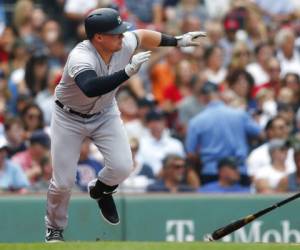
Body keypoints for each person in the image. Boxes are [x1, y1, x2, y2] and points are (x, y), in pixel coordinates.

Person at [44, 7, 206, 242]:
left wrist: (177, 41)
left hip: (105, 112)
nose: (122, 35)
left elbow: (142, 34)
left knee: (122, 167)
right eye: (116, 33)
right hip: (69, 117)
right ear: (98, 37)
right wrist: (128, 72)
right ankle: (54, 227)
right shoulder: (81, 56)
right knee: (63, 182)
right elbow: (90, 87)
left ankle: (101, 189)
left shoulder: (122, 43)